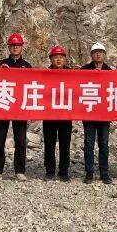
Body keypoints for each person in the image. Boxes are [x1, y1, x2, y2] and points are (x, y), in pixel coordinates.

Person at [0, 32, 31, 181]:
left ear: (21, 47)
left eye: (18, 45)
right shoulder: (0, 64)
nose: (15, 47)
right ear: (9, 47)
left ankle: (20, 170)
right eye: (13, 45)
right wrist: (0, 72)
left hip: (19, 108)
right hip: (3, 106)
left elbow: (31, 85)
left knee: (20, 140)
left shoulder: (27, 66)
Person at [80, 42, 113, 184]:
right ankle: (89, 172)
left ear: (104, 55)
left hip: (104, 114)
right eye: (95, 52)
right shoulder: (84, 70)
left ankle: (104, 172)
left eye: (101, 52)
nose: (98, 54)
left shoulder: (110, 71)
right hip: (89, 113)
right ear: (91, 55)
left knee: (104, 144)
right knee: (89, 144)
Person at [42, 46, 74, 181]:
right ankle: (49, 171)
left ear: (65, 59)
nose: (58, 59)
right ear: (51, 59)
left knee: (65, 144)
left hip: (65, 115)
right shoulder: (45, 74)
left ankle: (63, 171)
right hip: (49, 115)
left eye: (61, 57)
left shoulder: (72, 74)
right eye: (55, 57)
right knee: (49, 144)